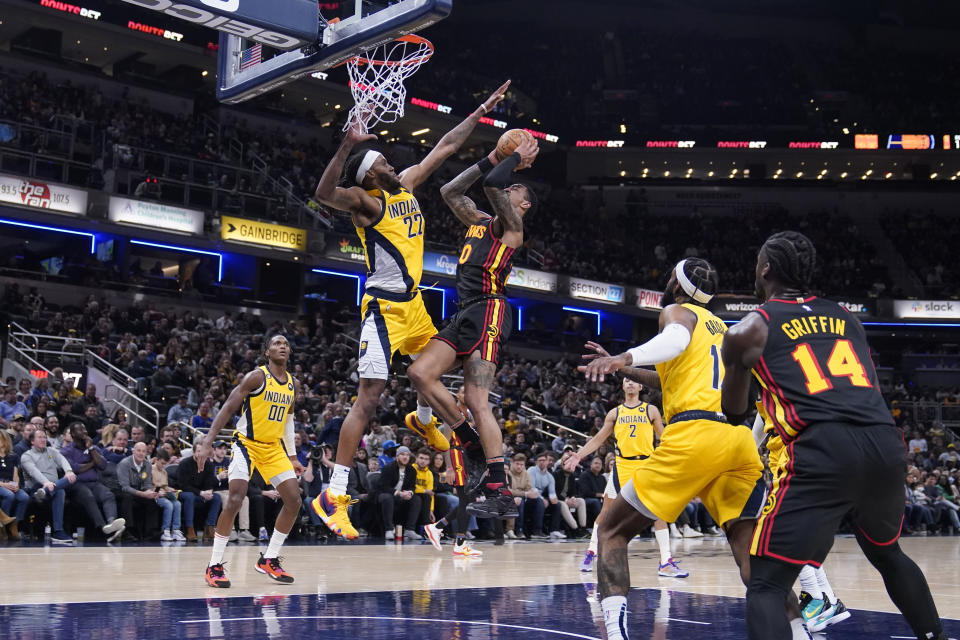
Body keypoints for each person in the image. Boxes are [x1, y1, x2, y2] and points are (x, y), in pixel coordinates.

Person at [720, 231, 947, 640]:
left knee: (767, 584)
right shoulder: (846, 318)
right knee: (887, 552)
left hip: (822, 448)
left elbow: (734, 412)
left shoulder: (749, 328)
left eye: (758, 262)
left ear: (766, 268)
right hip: (882, 442)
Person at [311, 81, 510, 540]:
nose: (392, 163)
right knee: (370, 395)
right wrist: (347, 145)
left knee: (442, 367)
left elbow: (445, 145)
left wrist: (481, 108)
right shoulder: (366, 203)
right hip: (383, 311)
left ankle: (422, 420)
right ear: (369, 176)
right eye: (382, 162)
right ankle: (334, 494)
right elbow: (324, 193)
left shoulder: (408, 186)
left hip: (416, 308)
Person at [580, 258, 766, 640]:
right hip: (736, 439)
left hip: (694, 435)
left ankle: (615, 636)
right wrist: (625, 370)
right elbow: (670, 377)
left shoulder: (676, 311)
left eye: (669, 277)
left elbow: (674, 341)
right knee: (752, 557)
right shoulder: (720, 327)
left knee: (610, 530)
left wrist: (624, 356)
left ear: (677, 285)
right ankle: (798, 632)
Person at [406, 133, 539, 523]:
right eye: (511, 185)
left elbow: (494, 184)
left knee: (480, 401)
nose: (511, 188)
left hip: (490, 310)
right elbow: (450, 190)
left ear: (524, 204)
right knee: (419, 372)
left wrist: (509, 160)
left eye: (518, 189)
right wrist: (492, 155)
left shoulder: (511, 225)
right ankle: (467, 437)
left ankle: (498, 488)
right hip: (464, 312)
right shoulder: (480, 219)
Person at [194, 334, 303, 588]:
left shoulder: (293, 384)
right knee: (236, 497)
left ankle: (270, 558)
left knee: (294, 500)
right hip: (247, 444)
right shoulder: (256, 377)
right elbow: (228, 407)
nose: (282, 346)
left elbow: (288, 421)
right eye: (277, 343)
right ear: (267, 352)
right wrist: (208, 441)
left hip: (274, 449)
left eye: (286, 343)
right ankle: (214, 565)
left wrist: (293, 455)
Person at [565, 374, 685, 577]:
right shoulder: (614, 413)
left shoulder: (650, 410)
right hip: (621, 466)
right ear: (622, 386)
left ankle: (665, 562)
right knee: (606, 511)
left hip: (646, 465)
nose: (629, 383)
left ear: (640, 385)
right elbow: (598, 439)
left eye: (633, 380)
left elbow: (663, 439)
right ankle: (591, 551)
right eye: (626, 380)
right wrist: (579, 455)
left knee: (658, 513)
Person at [60, 422, 126, 542]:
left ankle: (111, 524)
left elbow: (102, 465)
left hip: (93, 483)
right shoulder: (66, 451)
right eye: (80, 430)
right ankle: (102, 528)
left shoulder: (93, 447)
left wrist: (90, 449)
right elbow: (76, 469)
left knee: (108, 494)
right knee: (88, 496)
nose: (85, 432)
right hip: (76, 485)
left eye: (85, 429)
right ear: (73, 434)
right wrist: (92, 463)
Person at [116, 442, 160, 541]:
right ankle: (128, 532)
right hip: (121, 491)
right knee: (127, 497)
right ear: (133, 451)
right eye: (138, 450)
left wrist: (150, 492)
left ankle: (150, 532)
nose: (141, 453)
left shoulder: (147, 464)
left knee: (151, 500)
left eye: (143, 451)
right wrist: (143, 494)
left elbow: (147, 484)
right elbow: (124, 487)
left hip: (138, 491)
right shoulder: (124, 464)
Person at [376, 445, 420, 541]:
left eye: (407, 455)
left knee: (416, 499)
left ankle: (409, 530)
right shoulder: (388, 468)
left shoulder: (412, 470)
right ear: (397, 457)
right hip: (386, 494)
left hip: (401, 496)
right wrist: (399, 493)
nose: (405, 457)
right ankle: (389, 529)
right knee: (387, 497)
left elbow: (412, 486)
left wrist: (410, 493)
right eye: (402, 454)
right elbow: (383, 487)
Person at [152, 448, 185, 542]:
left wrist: (172, 490)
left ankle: (175, 530)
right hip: (155, 496)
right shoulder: (150, 469)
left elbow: (165, 486)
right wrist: (157, 492)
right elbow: (148, 487)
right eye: (162, 463)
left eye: (165, 464)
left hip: (165, 494)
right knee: (168, 504)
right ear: (156, 460)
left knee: (177, 504)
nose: (163, 466)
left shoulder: (164, 472)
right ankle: (165, 530)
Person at [0, 431, 29, 540]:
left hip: (10, 483)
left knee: (24, 497)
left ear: (5, 440)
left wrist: (15, 485)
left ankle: (14, 524)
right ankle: (3, 525)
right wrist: (4, 485)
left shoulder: (13, 456)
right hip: (0, 483)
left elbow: (15, 474)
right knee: (9, 495)